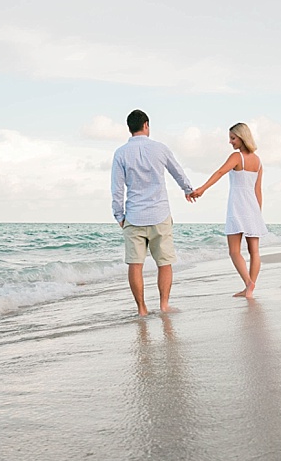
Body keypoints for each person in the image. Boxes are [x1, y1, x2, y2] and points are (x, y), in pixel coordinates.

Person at [112, 109, 195, 316]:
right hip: (159, 214)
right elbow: (177, 171)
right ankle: (164, 305)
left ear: (129, 128)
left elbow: (117, 188)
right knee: (164, 263)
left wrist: (119, 215)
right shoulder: (160, 149)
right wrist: (188, 190)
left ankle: (141, 309)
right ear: (146, 125)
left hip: (134, 216)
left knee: (135, 264)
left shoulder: (121, 153)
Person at [189, 122, 268, 298]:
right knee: (254, 251)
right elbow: (258, 190)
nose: (230, 142)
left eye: (233, 138)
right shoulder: (258, 161)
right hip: (253, 208)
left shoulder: (237, 157)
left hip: (237, 207)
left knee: (234, 251)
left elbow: (219, 173)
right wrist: (258, 213)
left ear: (242, 137)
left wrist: (202, 189)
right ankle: (250, 288)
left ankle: (248, 284)